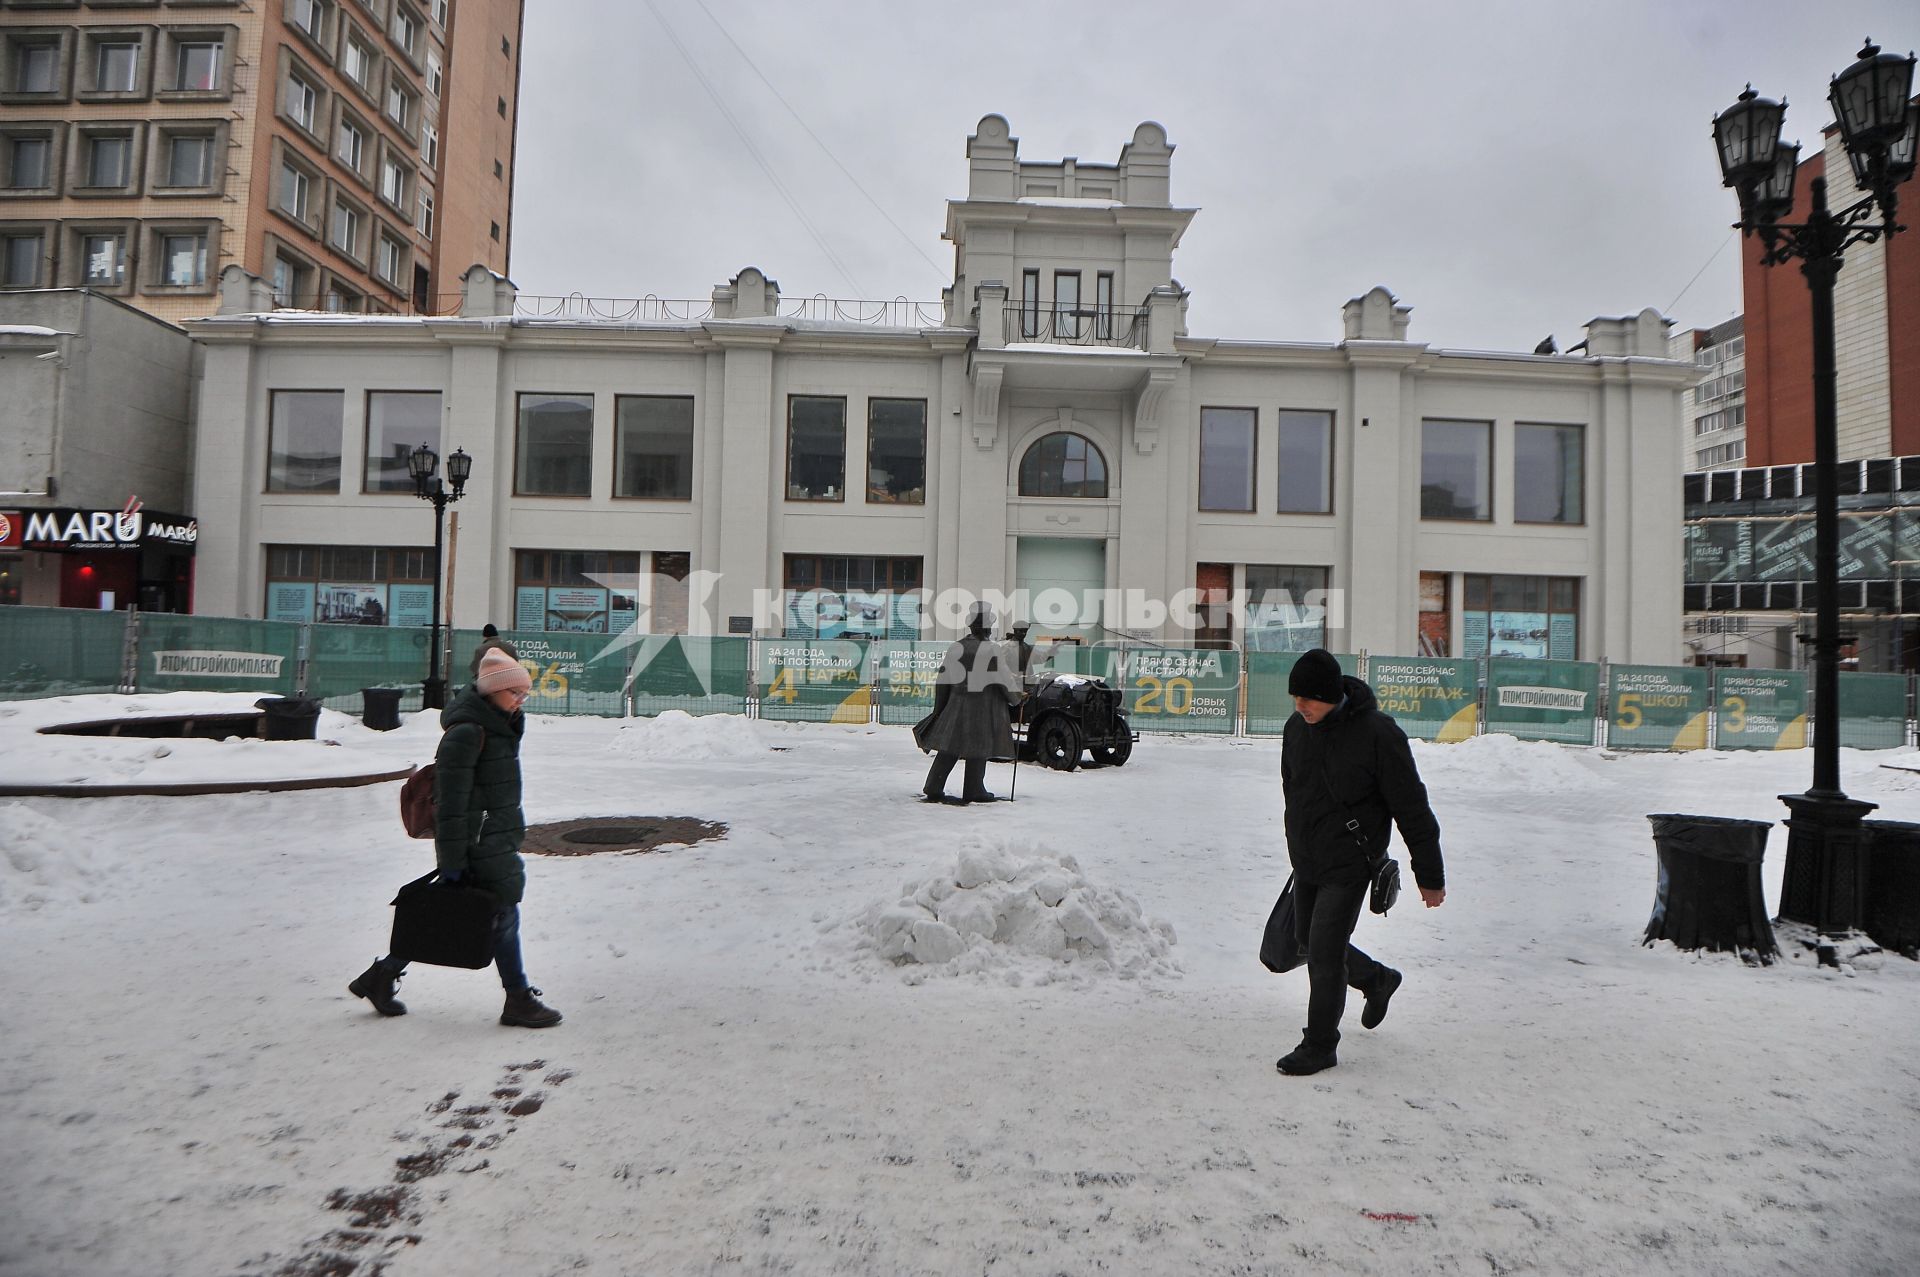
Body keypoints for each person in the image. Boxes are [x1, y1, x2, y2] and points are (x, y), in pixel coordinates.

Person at [349, 647, 562, 1028]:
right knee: (499, 914)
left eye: (524, 694)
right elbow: (448, 803)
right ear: (492, 692)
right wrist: (451, 862)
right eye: (515, 693)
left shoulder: (497, 726)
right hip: (476, 843)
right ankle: (517, 998)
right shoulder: (468, 733)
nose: (521, 701)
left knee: (467, 915)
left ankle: (382, 975)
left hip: (494, 839)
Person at [1275, 648, 1444, 1075]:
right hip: (1308, 860)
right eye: (1296, 697)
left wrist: (1430, 875)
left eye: (1309, 698)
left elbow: (1412, 808)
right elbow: (1293, 790)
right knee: (1307, 941)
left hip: (1349, 864)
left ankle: (1319, 1045)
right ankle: (1376, 979)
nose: (1301, 706)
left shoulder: (1378, 734)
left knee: (1325, 954)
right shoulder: (1296, 728)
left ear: (1333, 695)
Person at [912, 601, 1021, 804]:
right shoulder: (992, 650)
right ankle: (974, 788)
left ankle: (933, 785)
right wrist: (1016, 698)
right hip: (982, 709)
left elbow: (943, 680)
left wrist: (940, 709)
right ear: (987, 627)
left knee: (949, 748)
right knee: (978, 748)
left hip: (956, 707)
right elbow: (1004, 680)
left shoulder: (957, 648)